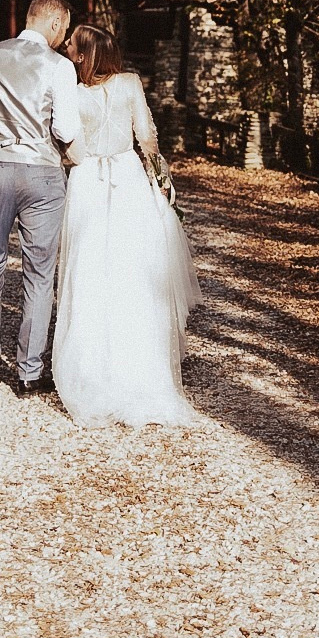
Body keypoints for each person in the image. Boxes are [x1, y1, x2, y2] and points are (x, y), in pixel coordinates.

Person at [52, 25, 202, 428]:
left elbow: (73, 147)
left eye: (72, 45)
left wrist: (72, 158)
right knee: (130, 273)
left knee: (91, 273)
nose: (66, 47)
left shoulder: (71, 89)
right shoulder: (131, 83)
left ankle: (95, 374)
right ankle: (138, 371)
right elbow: (148, 139)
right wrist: (162, 180)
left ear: (83, 56)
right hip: (129, 176)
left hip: (88, 180)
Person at [0, 0, 83, 395]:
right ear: (56, 24)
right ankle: (28, 372)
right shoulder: (60, 66)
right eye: (65, 29)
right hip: (42, 175)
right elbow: (66, 131)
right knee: (39, 274)